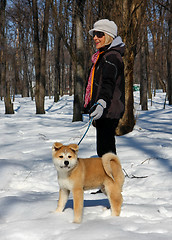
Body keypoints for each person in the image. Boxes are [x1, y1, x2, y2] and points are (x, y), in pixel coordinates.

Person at [84, 19, 125, 157]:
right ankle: (109, 176)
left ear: (108, 36)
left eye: (99, 34)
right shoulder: (103, 56)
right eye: (94, 34)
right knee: (104, 150)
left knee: (106, 151)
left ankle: (112, 177)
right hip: (104, 108)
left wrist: (101, 102)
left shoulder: (112, 57)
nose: (95, 38)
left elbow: (108, 82)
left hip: (109, 108)